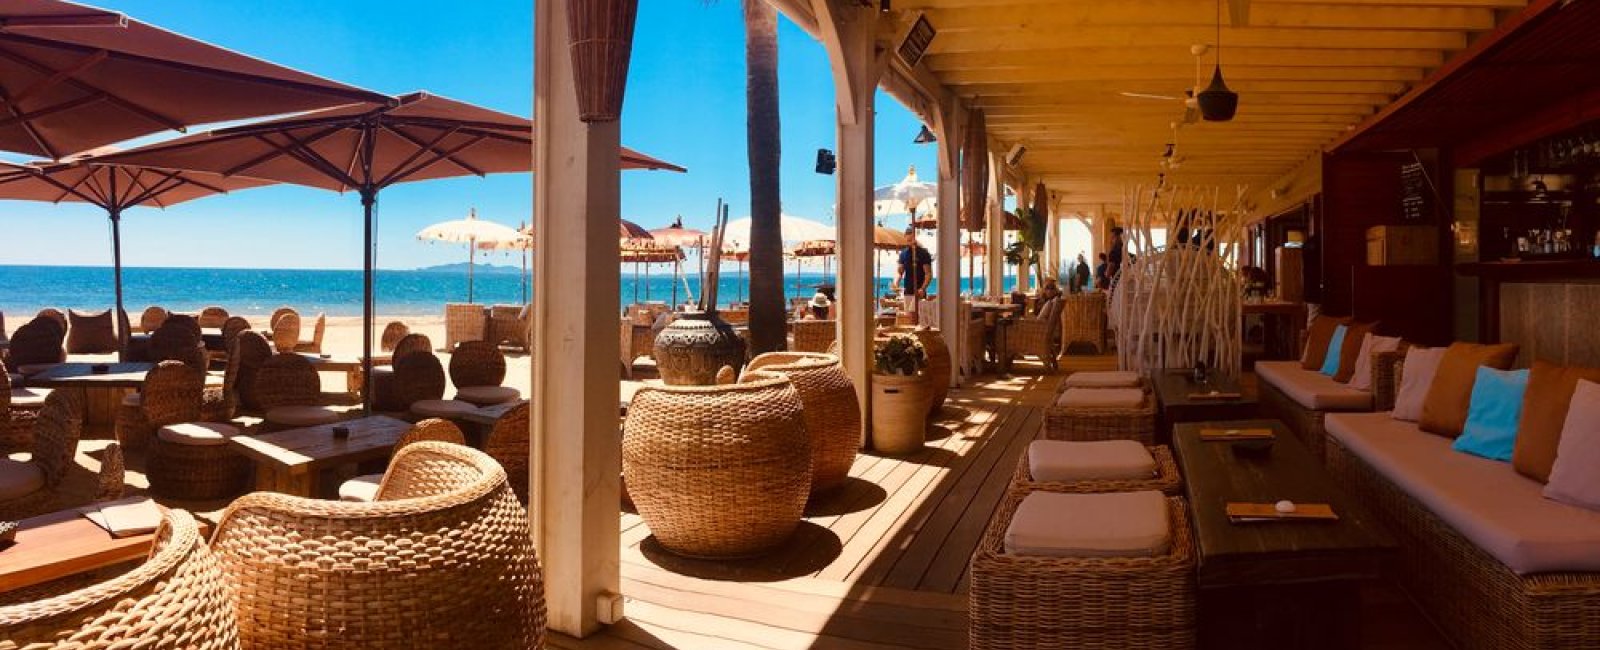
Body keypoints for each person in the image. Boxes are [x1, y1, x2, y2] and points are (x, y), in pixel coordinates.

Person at [894, 228, 933, 311]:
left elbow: (928, 273)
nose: (910, 242)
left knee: (920, 317)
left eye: (911, 240)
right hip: (907, 291)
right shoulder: (903, 254)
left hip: (920, 291)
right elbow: (900, 272)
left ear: (915, 238)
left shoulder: (924, 253)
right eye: (908, 240)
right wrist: (896, 283)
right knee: (908, 316)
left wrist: (923, 288)